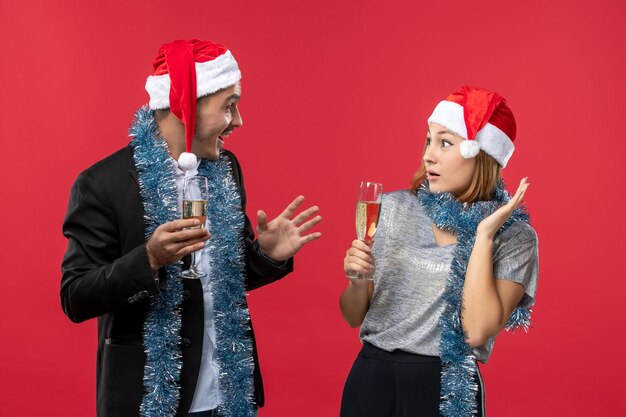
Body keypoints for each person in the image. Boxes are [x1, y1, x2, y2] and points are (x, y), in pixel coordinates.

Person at [61, 39, 322, 417]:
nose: (238, 120)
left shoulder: (226, 169)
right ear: (187, 105)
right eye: (229, 106)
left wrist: (265, 255)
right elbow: (75, 297)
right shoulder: (103, 184)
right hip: (148, 399)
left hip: (227, 393)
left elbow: (220, 280)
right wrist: (149, 258)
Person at [339, 85, 538, 417]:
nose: (429, 155)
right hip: (371, 377)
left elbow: (476, 330)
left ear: (482, 154)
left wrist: (484, 234)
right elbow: (352, 315)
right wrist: (358, 281)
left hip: (446, 388)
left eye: (445, 142)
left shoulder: (514, 237)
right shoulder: (392, 208)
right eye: (428, 140)